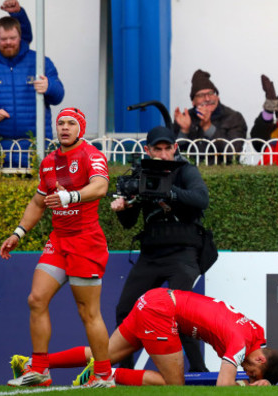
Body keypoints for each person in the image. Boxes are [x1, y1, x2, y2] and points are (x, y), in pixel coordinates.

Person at [1, 107, 114, 388]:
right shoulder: (49, 161)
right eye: (60, 123)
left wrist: (71, 196)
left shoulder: (91, 155)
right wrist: (18, 233)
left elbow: (100, 187)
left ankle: (103, 374)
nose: (64, 127)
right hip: (59, 240)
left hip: (86, 241)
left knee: (88, 313)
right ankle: (40, 370)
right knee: (35, 299)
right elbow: (38, 202)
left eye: (70, 123)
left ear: (81, 129)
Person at [10, 288, 278, 387]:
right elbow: (223, 386)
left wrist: (257, 379)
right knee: (173, 384)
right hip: (161, 312)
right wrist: (249, 388)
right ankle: (107, 376)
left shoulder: (256, 333)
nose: (246, 372)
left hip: (154, 298)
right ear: (261, 358)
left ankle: (36, 365)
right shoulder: (241, 345)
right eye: (252, 372)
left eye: (248, 376)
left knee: (103, 353)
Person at [110, 126, 210, 373]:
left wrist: (169, 191)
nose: (163, 154)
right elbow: (128, 223)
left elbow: (201, 199)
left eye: (168, 148)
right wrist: (125, 207)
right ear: (148, 150)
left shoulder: (186, 170)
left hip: (183, 253)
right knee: (125, 309)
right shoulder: (139, 174)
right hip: (152, 254)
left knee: (180, 312)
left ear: (175, 148)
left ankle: (199, 370)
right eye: (158, 149)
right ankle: (125, 372)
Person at [0, 14, 64, 167]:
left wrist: (49, 88)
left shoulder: (40, 61)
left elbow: (58, 96)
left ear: (20, 37)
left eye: (12, 38)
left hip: (36, 149)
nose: (8, 42)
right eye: (3, 39)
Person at [173, 69, 247, 164]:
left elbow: (233, 155)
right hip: (189, 174)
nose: (207, 99)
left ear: (217, 97)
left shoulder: (233, 117)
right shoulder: (184, 118)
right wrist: (184, 131)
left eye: (211, 93)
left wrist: (208, 127)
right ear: (193, 101)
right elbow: (171, 155)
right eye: (201, 95)